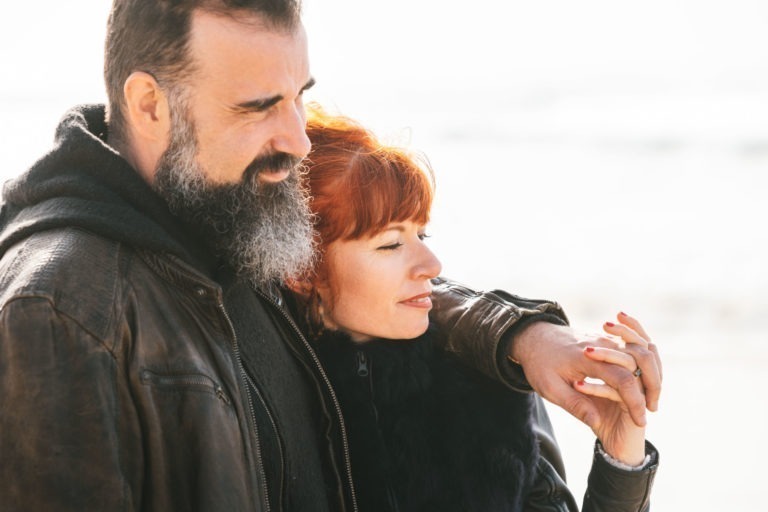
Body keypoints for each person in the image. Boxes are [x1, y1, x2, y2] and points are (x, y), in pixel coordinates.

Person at [0, 1, 660, 510]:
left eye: (300, 97)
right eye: (259, 105)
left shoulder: (224, 223)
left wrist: (521, 336)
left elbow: (358, 294)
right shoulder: (58, 308)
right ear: (149, 104)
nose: (296, 139)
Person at [285, 106, 660, 511]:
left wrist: (622, 460)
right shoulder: (263, 393)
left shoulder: (486, 380)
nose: (432, 265)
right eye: (390, 244)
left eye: (421, 234)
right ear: (302, 269)